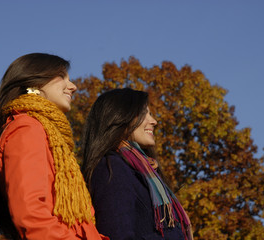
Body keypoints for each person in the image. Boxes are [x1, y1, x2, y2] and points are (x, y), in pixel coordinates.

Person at [0, 53, 108, 240]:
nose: (73, 86)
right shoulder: (26, 128)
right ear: (35, 81)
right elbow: (31, 216)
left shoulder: (46, 132)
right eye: (62, 76)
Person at [81, 88, 193, 240]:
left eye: (150, 114)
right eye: (143, 113)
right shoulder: (112, 167)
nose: (154, 121)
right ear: (120, 117)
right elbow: (117, 234)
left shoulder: (147, 171)